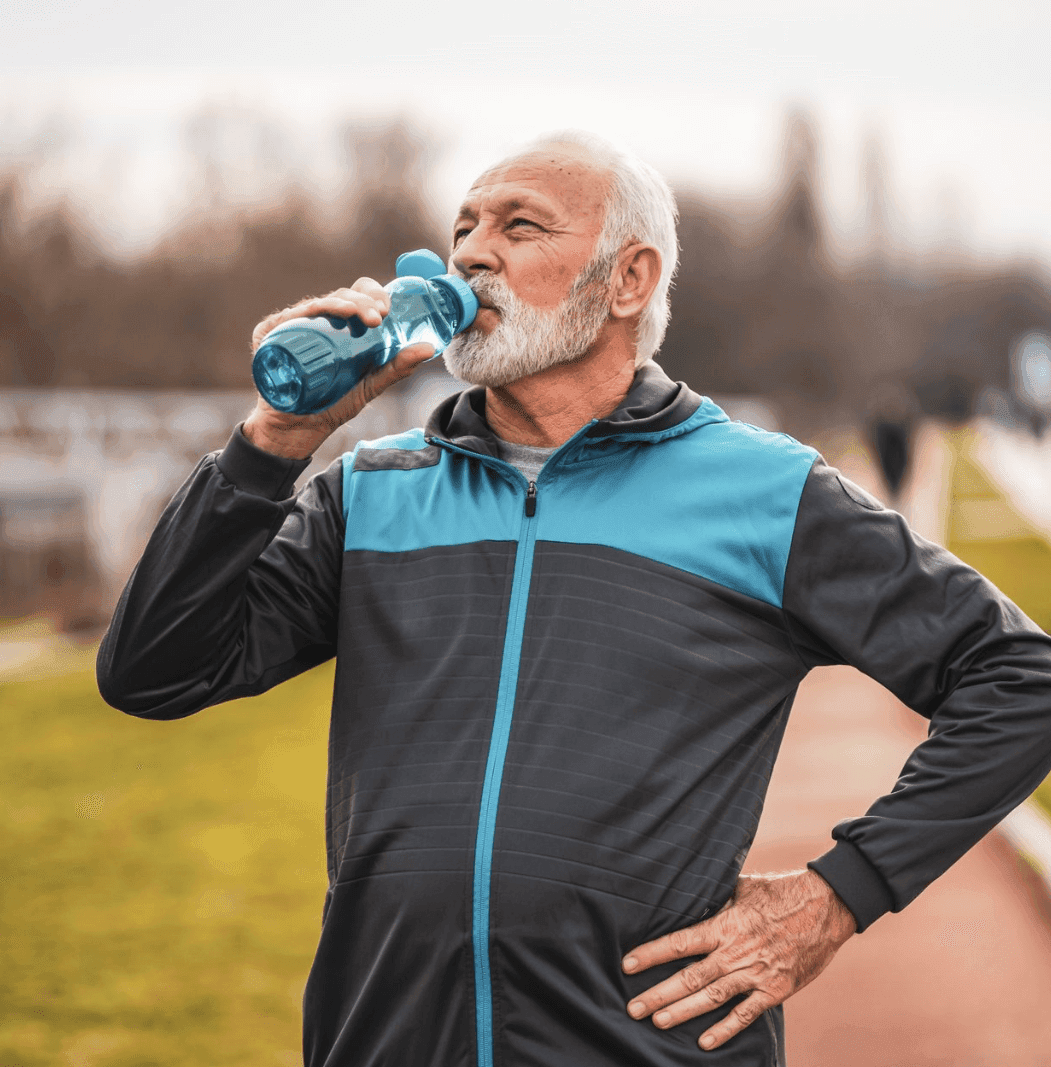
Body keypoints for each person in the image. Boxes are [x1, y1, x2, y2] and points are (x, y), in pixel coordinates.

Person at [97, 132, 1051, 1067]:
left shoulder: (766, 493)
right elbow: (153, 670)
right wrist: (274, 438)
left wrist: (838, 895)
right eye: (464, 225)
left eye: (521, 226)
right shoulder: (370, 493)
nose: (472, 252)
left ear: (627, 280)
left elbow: (1019, 678)